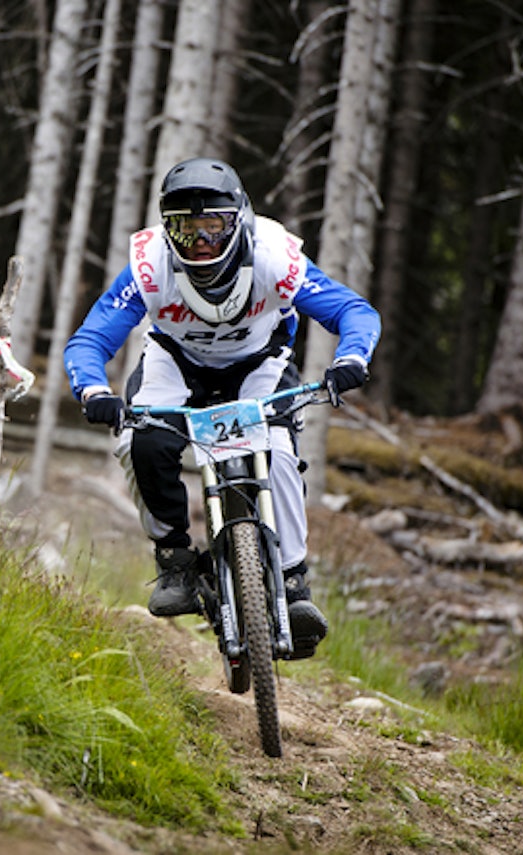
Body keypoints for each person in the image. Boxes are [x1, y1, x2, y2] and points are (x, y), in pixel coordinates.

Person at [63, 157, 380, 659]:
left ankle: (294, 585)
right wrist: (93, 391)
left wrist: (351, 357)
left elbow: (351, 310)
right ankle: (174, 560)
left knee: (275, 452)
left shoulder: (276, 256)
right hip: (175, 364)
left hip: (259, 365)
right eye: (186, 232)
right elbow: (90, 339)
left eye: (213, 227)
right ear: (168, 231)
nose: (201, 244)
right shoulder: (149, 266)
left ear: (240, 222)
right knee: (138, 440)